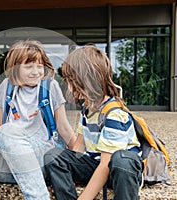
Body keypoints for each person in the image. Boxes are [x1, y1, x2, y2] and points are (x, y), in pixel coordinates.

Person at [0, 40, 78, 199]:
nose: (36, 72)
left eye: (40, 66)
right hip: (5, 167)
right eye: (28, 66)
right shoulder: (6, 85)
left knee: (8, 130)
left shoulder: (50, 87)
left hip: (39, 162)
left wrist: (81, 158)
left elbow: (64, 128)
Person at [44, 45, 143, 200]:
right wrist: (64, 164)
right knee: (54, 156)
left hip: (119, 172)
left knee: (123, 160)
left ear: (88, 80)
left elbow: (106, 165)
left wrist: (83, 198)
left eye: (72, 81)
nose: (69, 87)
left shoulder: (114, 114)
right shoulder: (87, 107)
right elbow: (78, 149)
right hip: (96, 165)